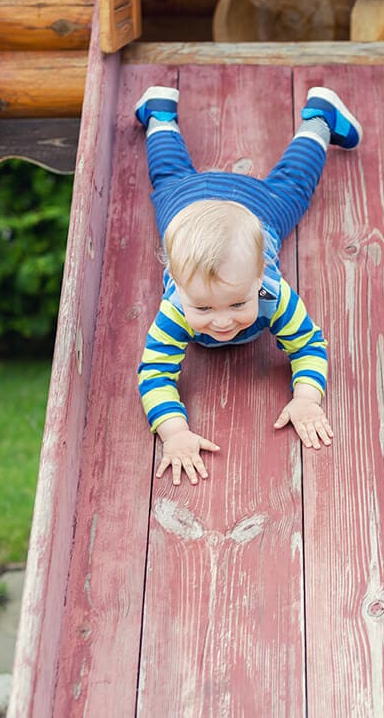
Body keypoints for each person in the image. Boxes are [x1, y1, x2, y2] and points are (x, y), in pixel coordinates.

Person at [134, 83, 362, 486]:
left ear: (262, 275)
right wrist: (175, 432)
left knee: (293, 188)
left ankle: (318, 119)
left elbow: (308, 343)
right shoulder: (175, 309)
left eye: (237, 303)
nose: (221, 322)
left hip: (255, 211)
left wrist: (307, 398)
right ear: (180, 288)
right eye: (203, 308)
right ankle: (159, 113)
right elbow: (154, 373)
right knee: (169, 177)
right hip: (184, 210)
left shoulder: (272, 294)